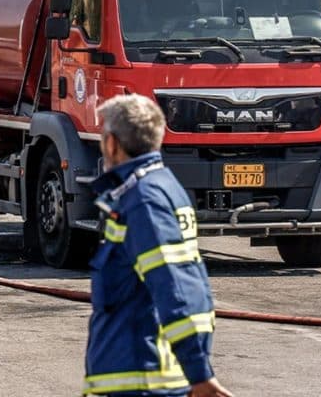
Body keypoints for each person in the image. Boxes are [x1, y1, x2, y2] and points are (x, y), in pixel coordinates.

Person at [85, 94, 232, 397]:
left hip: (140, 380)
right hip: (147, 375)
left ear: (112, 144)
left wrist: (199, 373)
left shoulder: (144, 201)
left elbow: (173, 286)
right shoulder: (163, 187)